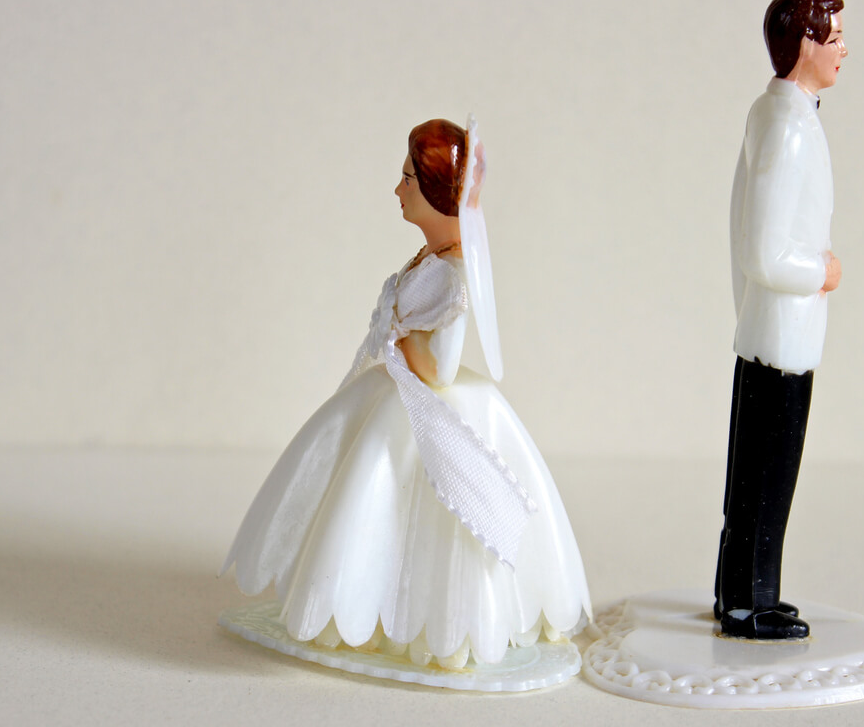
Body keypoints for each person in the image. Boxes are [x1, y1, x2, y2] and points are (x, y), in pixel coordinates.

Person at [222, 117, 591, 668]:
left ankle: (417, 623)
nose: (398, 189)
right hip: (394, 390)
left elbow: (438, 370)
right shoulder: (432, 260)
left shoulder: (451, 275)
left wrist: (397, 332)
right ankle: (352, 600)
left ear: (438, 192)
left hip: (422, 403)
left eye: (408, 179)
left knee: (422, 502)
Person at [714, 0, 847, 641]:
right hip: (781, 335)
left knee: (757, 476)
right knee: (767, 477)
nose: (845, 48)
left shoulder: (779, 115)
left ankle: (743, 592)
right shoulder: (788, 127)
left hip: (771, 331)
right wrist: (820, 271)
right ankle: (747, 602)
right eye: (835, 38)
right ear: (804, 46)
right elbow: (766, 250)